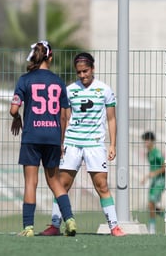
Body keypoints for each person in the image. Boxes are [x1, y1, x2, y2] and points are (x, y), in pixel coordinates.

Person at [40, 52, 126, 237]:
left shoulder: (104, 90)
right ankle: (55, 225)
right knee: (62, 184)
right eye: (79, 72)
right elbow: (64, 118)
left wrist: (113, 145)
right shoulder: (70, 90)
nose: (82, 75)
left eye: (85, 71)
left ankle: (114, 226)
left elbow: (111, 119)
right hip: (73, 143)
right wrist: (61, 142)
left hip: (95, 145)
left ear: (92, 69)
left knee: (101, 185)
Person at [10, 40, 77, 237]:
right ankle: (70, 220)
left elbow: (13, 109)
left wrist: (17, 118)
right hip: (53, 137)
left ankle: (28, 227)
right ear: (50, 57)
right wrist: (61, 140)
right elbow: (65, 115)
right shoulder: (58, 82)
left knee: (31, 182)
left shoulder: (25, 80)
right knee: (55, 181)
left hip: (32, 136)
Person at [140, 131, 166, 235]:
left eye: (146, 141)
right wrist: (146, 177)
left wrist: (153, 174)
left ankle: (152, 228)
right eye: (144, 141)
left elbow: (165, 167)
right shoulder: (148, 153)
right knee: (150, 205)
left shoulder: (157, 152)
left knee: (151, 203)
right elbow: (152, 170)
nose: (145, 143)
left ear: (152, 141)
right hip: (154, 181)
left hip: (160, 181)